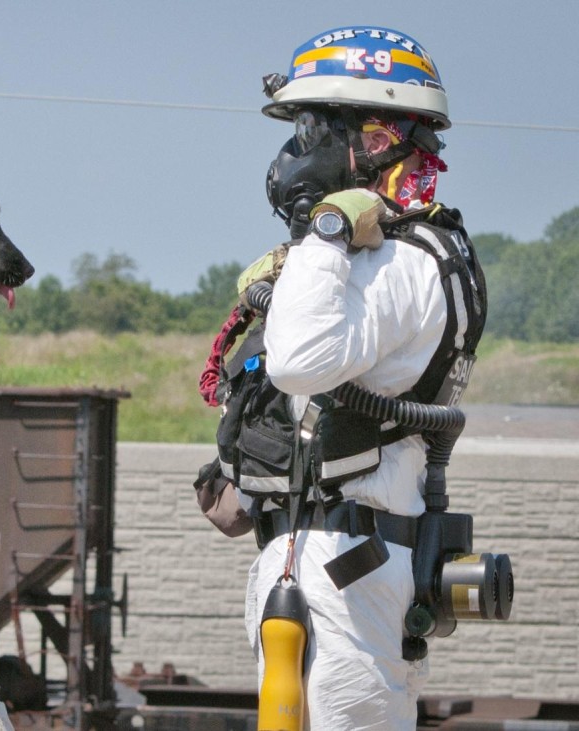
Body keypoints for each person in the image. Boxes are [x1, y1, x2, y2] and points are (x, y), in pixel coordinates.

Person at [237, 27, 486, 729]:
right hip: (318, 556)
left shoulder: (403, 260)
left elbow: (300, 361)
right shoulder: (374, 252)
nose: (294, 154)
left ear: (375, 137)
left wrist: (321, 234)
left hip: (350, 562)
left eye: (311, 128)